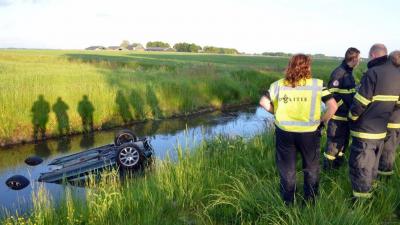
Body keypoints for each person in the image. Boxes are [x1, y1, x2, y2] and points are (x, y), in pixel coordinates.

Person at [259, 54, 337, 204]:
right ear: (308, 67)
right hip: (309, 134)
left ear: (290, 66)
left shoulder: (278, 84)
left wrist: (276, 111)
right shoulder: (318, 84)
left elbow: (263, 102)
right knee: (311, 167)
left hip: (285, 133)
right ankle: (310, 202)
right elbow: (333, 106)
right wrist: (322, 121)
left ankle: (288, 202)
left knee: (287, 169)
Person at [348, 44, 400, 199]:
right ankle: (373, 190)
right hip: (381, 129)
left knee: (361, 165)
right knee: (373, 164)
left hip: (365, 130)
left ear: (373, 56)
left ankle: (360, 203)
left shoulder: (373, 73)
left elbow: (360, 102)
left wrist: (352, 117)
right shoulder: (397, 75)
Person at [324, 47, 360, 170]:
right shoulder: (338, 73)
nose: (359, 61)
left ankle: (337, 167)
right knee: (333, 144)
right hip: (338, 117)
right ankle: (328, 170)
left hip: (346, 116)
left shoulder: (348, 72)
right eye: (359, 59)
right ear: (354, 59)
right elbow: (331, 94)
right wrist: (343, 107)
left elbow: (349, 92)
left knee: (343, 143)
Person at [378, 50, 400, 177]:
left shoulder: (394, 77)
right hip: (395, 122)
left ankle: (384, 179)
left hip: (392, 122)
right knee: (389, 151)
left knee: (387, 152)